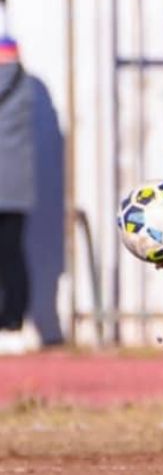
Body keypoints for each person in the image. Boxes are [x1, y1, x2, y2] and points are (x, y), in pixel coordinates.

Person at [0, 35, 33, 355]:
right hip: (17, 188)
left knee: (8, 256)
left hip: (6, 186)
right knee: (12, 254)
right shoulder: (26, 85)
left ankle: (8, 321)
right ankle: (13, 322)